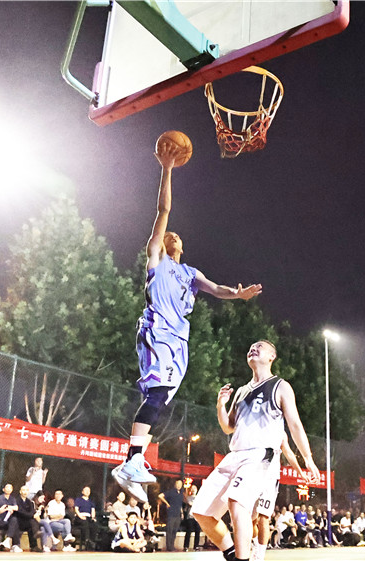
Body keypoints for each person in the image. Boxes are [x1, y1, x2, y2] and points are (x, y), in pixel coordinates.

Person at [112, 144, 263, 504]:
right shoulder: (157, 260)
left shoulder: (190, 273)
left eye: (177, 236)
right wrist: (167, 168)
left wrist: (238, 295)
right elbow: (163, 210)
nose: (174, 235)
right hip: (158, 330)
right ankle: (131, 461)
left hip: (179, 341)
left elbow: (218, 289)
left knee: (159, 399)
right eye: (169, 235)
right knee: (157, 393)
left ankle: (134, 461)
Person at [191, 340, 320, 561]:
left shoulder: (280, 386)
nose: (253, 348)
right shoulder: (242, 391)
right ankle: (233, 554)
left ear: (271, 356)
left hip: (260, 455)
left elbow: (295, 425)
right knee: (201, 511)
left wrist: (307, 458)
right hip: (235, 455)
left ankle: (246, 558)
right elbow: (228, 427)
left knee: (238, 503)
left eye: (259, 346)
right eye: (251, 346)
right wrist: (220, 405)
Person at [251, 433, 309, 561]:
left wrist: (300, 472)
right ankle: (255, 544)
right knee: (250, 519)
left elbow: (288, 452)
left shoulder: (280, 433)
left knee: (263, 517)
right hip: (252, 475)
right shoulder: (253, 426)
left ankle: (260, 555)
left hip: (270, 478)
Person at [11, 487, 41, 552]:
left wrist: (31, 515)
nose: (25, 492)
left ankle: (34, 546)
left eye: (26, 490)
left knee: (32, 523)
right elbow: (20, 512)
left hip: (27, 521)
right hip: (18, 521)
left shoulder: (29, 501)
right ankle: (36, 531)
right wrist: (31, 515)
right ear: (20, 491)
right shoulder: (16, 500)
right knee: (31, 521)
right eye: (23, 490)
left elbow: (32, 511)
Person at [157, 480, 184, 551]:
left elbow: (180, 505)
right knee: (170, 530)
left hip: (178, 514)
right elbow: (160, 496)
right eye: (178, 484)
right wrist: (167, 503)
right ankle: (169, 546)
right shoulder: (171, 492)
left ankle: (172, 545)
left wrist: (181, 513)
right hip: (171, 514)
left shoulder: (181, 494)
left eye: (180, 484)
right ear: (175, 484)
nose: (179, 485)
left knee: (175, 531)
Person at [0, 484, 18, 551]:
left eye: (10, 488)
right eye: (7, 488)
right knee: (14, 525)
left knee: (15, 520)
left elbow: (16, 508)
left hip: (7, 521)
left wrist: (7, 507)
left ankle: (8, 540)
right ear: (3, 489)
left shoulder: (12, 499)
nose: (9, 489)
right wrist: (3, 509)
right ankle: (14, 545)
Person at [72, 486, 96, 551]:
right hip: (80, 516)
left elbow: (93, 510)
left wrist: (93, 517)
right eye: (86, 490)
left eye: (88, 490)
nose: (87, 492)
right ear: (82, 492)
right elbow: (76, 509)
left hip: (88, 517)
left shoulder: (91, 501)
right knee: (85, 523)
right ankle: (86, 540)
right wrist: (81, 516)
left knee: (94, 525)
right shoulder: (78, 500)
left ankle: (92, 541)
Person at [182, 483, 201, 552]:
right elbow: (189, 503)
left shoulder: (199, 498)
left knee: (197, 531)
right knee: (188, 531)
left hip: (197, 517)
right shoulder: (188, 497)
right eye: (192, 488)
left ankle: (196, 546)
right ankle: (186, 546)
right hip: (190, 517)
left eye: (195, 488)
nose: (193, 490)